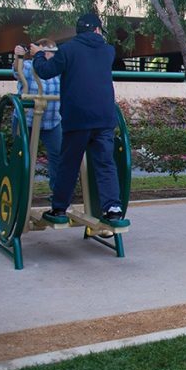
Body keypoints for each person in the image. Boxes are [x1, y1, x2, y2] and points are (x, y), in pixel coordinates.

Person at [32, 13, 127, 227]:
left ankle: (59, 208)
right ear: (96, 30)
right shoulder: (108, 51)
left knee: (69, 164)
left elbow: (46, 72)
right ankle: (113, 208)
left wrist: (39, 55)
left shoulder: (68, 50)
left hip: (78, 118)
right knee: (105, 163)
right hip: (104, 118)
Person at [12, 39, 62, 198]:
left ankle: (58, 194)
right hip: (27, 120)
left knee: (59, 156)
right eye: (47, 51)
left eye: (52, 52)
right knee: (23, 156)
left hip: (52, 121)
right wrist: (18, 57)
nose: (50, 55)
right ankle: (20, 193)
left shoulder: (57, 70)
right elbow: (16, 71)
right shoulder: (28, 66)